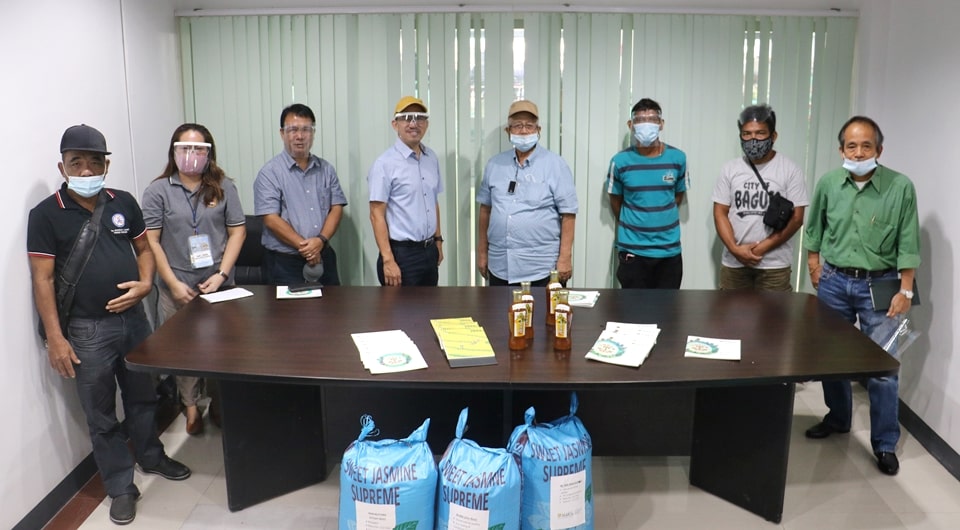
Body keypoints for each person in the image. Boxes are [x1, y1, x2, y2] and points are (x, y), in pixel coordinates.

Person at [27, 125, 191, 525]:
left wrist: (146, 282)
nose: (86, 171)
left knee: (143, 397)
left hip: (134, 321)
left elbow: (144, 248)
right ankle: (120, 486)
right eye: (76, 163)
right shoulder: (46, 214)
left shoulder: (124, 202)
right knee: (100, 414)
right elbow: (43, 280)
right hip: (87, 331)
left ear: (106, 164)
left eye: (94, 162)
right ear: (62, 167)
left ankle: (151, 457)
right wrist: (55, 338)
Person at [803, 116, 920, 476]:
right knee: (830, 359)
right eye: (851, 146)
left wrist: (906, 289)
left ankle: (885, 443)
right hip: (835, 281)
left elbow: (908, 241)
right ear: (841, 150)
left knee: (884, 368)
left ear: (879, 150)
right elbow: (815, 228)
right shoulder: (828, 183)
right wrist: (813, 263)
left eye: (866, 145)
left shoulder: (900, 187)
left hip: (882, 286)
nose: (858, 152)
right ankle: (838, 418)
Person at [141, 124, 246, 435]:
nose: (192, 154)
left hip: (218, 284)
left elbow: (237, 231)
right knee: (184, 350)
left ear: (208, 153)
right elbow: (152, 240)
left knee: (220, 349)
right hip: (176, 285)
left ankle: (216, 403)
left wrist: (222, 274)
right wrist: (172, 284)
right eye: (185, 148)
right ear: (174, 152)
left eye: (199, 149)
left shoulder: (223, 186)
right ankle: (190, 406)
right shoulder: (157, 191)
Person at [476, 99, 578, 286]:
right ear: (508, 131)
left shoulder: (555, 164)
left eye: (529, 126)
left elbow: (568, 213)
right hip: (500, 266)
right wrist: (482, 253)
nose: (523, 131)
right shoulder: (494, 164)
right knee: (500, 315)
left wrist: (565, 258)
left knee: (543, 315)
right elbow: (485, 210)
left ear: (538, 131)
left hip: (541, 268)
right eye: (517, 126)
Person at [712, 104, 809, 291]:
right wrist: (735, 249)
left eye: (760, 133)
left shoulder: (790, 170)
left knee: (773, 319)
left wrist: (760, 249)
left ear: (773, 136)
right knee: (731, 319)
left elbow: (797, 219)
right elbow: (720, 213)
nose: (753, 139)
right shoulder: (730, 169)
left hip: (774, 266)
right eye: (747, 134)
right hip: (734, 265)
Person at [254, 103, 347, 286]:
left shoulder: (326, 169)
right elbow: (271, 219)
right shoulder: (270, 173)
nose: (299, 136)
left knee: (333, 311)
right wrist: (307, 248)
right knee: (289, 315)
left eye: (306, 129)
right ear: (282, 133)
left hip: (324, 256)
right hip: (284, 263)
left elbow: (336, 208)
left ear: (313, 133)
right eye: (293, 130)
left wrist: (320, 241)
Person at [606, 98, 688, 289]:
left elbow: (677, 197)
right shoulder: (619, 161)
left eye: (652, 119)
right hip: (633, 253)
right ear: (631, 125)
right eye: (640, 120)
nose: (646, 124)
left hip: (669, 252)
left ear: (661, 124)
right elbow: (616, 200)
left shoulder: (678, 158)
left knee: (668, 312)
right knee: (632, 312)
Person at [368, 95, 444, 286]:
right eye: (407, 117)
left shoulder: (431, 158)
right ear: (395, 124)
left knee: (430, 312)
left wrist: (438, 242)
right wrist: (388, 260)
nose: (413, 123)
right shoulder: (384, 164)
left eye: (419, 118)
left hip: (429, 250)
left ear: (426, 124)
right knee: (401, 315)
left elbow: (432, 201)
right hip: (401, 255)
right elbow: (376, 215)